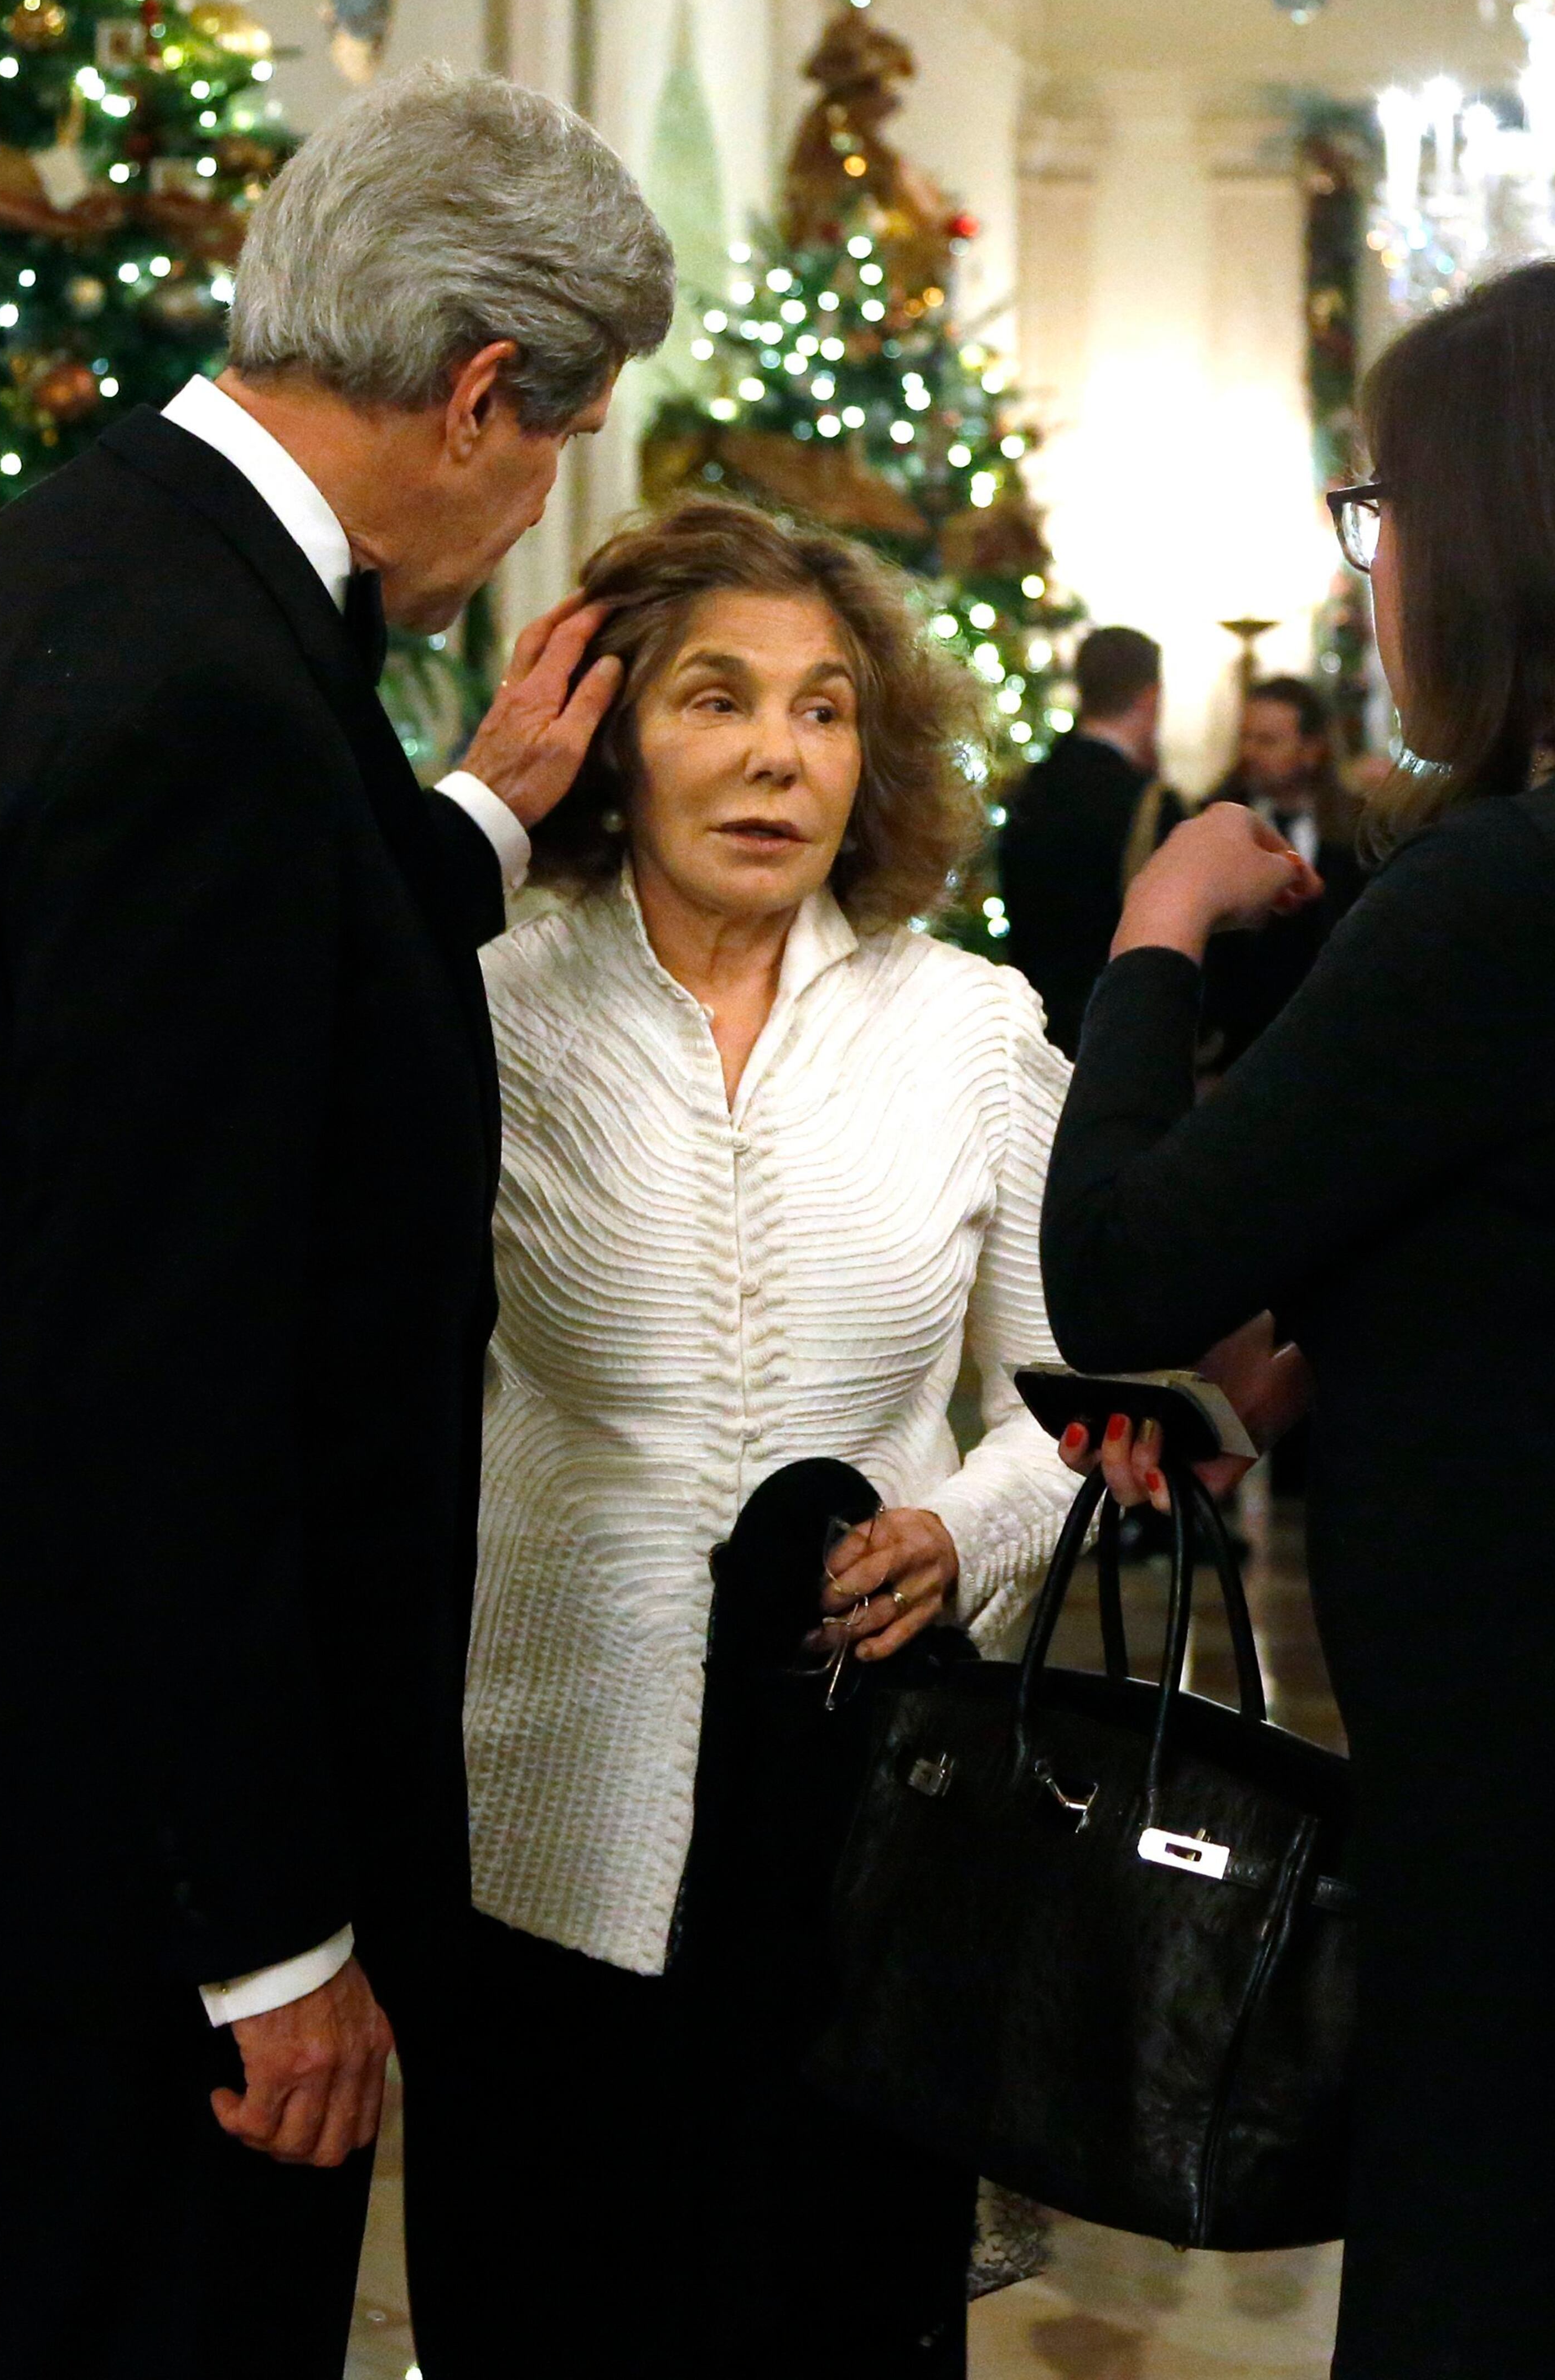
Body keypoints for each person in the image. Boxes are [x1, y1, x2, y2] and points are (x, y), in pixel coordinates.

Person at [0, 66, 674, 2379]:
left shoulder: (106, 566)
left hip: (44, 1769)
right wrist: (266, 1936)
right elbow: (166, 1359)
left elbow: (239, 1003)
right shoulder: (205, 689)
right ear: (481, 391)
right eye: (555, 445)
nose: (535, 503)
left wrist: (460, 830)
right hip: (132, 1838)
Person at [1040, 259, 1555, 2378]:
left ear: (1499, 540)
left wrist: (1155, 932)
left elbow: (1122, 1263)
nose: (1375, 572)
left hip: (1550, 1804)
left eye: (1384, 518)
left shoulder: (1516, 886)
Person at [458, 495, 1078, 2374]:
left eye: (821, 710)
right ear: (614, 734)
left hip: (869, 1824)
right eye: (716, 700)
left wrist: (966, 1529)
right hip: (544, 1811)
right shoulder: (483, 1004)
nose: (774, 755)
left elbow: (1072, 1419)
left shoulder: (969, 1027)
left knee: (837, 2321)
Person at [998, 624, 1186, 1054]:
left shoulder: (1031, 787)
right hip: (1118, 1041)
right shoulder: (1151, 804)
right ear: (1150, 698)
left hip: (1034, 1031)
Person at [1200, 675, 1366, 1076]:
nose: (1251, 752)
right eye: (1247, 738)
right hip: (1236, 1063)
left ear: (1312, 750)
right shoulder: (1212, 827)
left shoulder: (1358, 834)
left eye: (1268, 740)